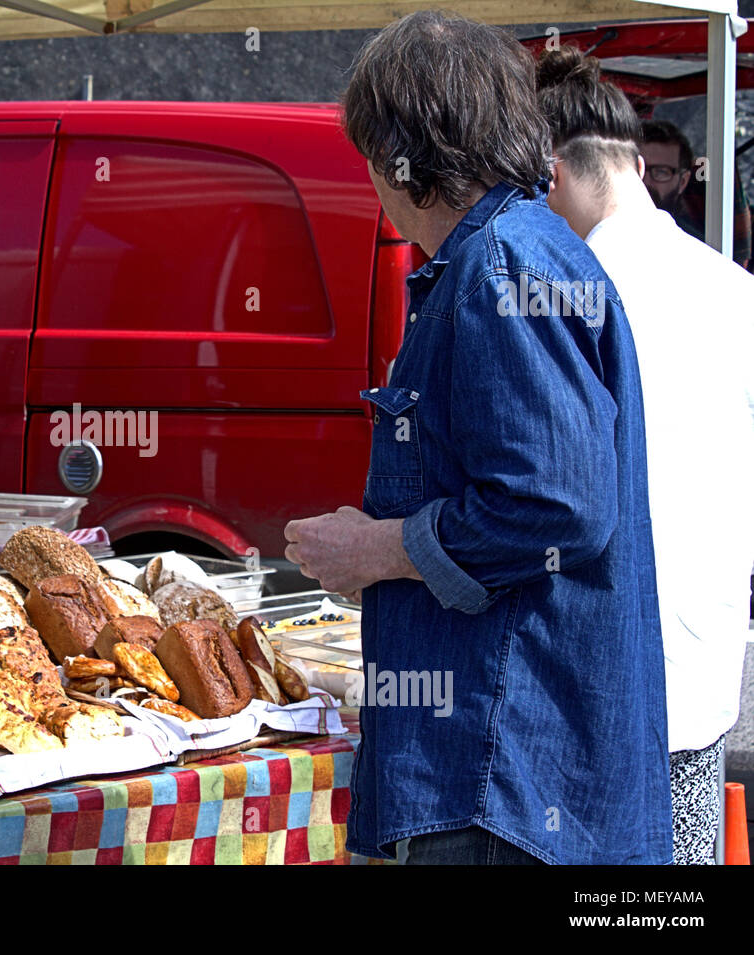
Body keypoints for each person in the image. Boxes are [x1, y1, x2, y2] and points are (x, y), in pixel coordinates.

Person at [284, 11, 671, 865]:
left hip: (506, 776)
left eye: (368, 159)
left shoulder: (500, 263)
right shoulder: (517, 250)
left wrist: (380, 548)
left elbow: (558, 506)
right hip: (516, 767)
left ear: (400, 159)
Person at [538, 47, 754, 864]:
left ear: (551, 173)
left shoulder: (560, 299)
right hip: (700, 684)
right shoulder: (733, 288)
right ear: (634, 161)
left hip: (591, 685)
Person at [640, 119, 751, 269]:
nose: (644, 180)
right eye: (638, 167)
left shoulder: (699, 253)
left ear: (683, 182)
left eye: (661, 172)